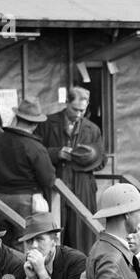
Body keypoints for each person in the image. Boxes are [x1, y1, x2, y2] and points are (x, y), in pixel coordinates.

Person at [38, 87, 104, 254]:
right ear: (66, 103)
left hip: (82, 187)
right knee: (53, 230)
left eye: (83, 110)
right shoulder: (47, 123)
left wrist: (88, 157)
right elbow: (35, 153)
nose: (79, 114)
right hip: (55, 184)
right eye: (75, 109)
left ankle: (81, 271)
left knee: (82, 234)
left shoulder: (93, 129)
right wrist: (56, 153)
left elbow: (102, 161)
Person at [0, 99, 55, 242]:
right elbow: (48, 179)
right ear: (35, 124)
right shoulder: (35, 147)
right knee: (27, 242)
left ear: (17, 118)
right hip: (26, 200)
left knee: (2, 243)